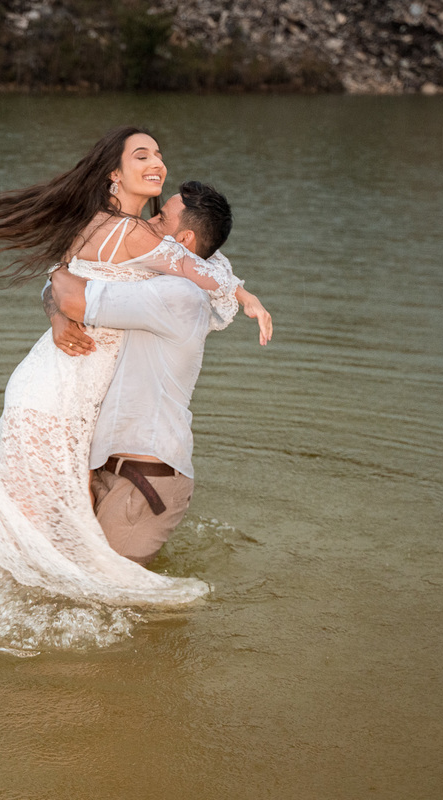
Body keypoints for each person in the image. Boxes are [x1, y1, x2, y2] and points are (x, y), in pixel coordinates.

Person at [0, 126, 266, 607]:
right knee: (25, 528)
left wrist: (242, 292)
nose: (157, 164)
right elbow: (190, 269)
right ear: (114, 173)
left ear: (184, 235)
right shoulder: (133, 236)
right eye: (142, 155)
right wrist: (244, 295)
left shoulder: (142, 248)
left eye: (157, 154)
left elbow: (198, 265)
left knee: (40, 542)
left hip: (85, 404)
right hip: (60, 387)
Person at [45, 180, 267, 566]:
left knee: (108, 592)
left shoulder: (178, 296)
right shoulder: (151, 278)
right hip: (112, 470)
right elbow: (64, 294)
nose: (147, 223)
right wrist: (56, 316)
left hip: (144, 480)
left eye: (161, 217)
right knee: (73, 584)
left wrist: (59, 267)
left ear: (184, 239)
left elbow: (70, 295)